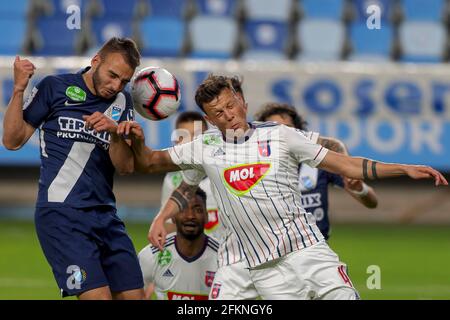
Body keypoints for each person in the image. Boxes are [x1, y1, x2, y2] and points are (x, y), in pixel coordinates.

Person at [118, 74, 447, 299]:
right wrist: (136, 139)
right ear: (210, 119)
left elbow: (346, 164)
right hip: (263, 268)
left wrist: (402, 168)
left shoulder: (282, 136)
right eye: (218, 113)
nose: (228, 116)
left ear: (242, 102)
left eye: (231, 106)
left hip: (308, 251)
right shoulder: (203, 146)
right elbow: (148, 162)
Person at [2, 37, 145, 300]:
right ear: (95, 61)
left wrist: (114, 133)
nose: (116, 86)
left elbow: (125, 167)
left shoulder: (123, 104)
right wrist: (19, 89)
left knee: (136, 297)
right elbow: (12, 140)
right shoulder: (54, 87)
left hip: (105, 215)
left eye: (124, 81)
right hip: (61, 214)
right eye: (113, 76)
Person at [255, 102, 378, 240]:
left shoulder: (318, 165)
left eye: (288, 129)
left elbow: (372, 202)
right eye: (274, 130)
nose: (283, 136)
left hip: (318, 251)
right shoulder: (254, 172)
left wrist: (360, 189)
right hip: (279, 253)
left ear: (300, 134)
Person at [139, 188, 219, 300]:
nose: (190, 216)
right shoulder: (150, 256)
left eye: (198, 210)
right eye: (183, 209)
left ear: (206, 217)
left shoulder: (222, 257)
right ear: (172, 217)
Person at [160, 111, 225, 240]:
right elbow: (168, 226)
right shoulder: (172, 180)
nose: (192, 143)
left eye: (197, 136)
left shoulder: (224, 172)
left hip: (227, 253)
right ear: (177, 141)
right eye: (185, 136)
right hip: (195, 256)